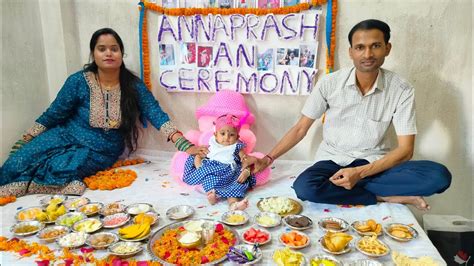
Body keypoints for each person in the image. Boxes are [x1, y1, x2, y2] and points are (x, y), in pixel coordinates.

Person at [247, 19, 451, 210]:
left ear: (387, 49)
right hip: (332, 161)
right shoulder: (330, 84)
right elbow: (301, 128)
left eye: (376, 46)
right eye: (360, 47)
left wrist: (360, 173)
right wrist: (267, 159)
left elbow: (406, 150)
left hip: (373, 163)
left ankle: (356, 186)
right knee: (305, 187)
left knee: (439, 176)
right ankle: (383, 196)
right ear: (351, 52)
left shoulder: (402, 90)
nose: (368, 54)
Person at [0, 28, 205, 198]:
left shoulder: (133, 85)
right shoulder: (78, 81)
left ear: (121, 54)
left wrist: (185, 145)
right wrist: (27, 137)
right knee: (17, 162)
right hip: (65, 135)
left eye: (114, 49)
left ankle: (39, 186)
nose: (108, 53)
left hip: (100, 150)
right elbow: (54, 113)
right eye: (102, 49)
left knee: (61, 169)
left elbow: (155, 113)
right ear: (93, 54)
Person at [182, 114, 255, 210]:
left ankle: (233, 204)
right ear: (215, 134)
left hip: (231, 173)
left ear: (237, 136)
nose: (227, 137)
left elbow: (245, 160)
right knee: (208, 179)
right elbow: (198, 156)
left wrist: (246, 171)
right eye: (222, 133)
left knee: (236, 184)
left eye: (232, 135)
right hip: (214, 171)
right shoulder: (211, 145)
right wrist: (200, 168)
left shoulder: (237, 146)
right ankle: (212, 195)